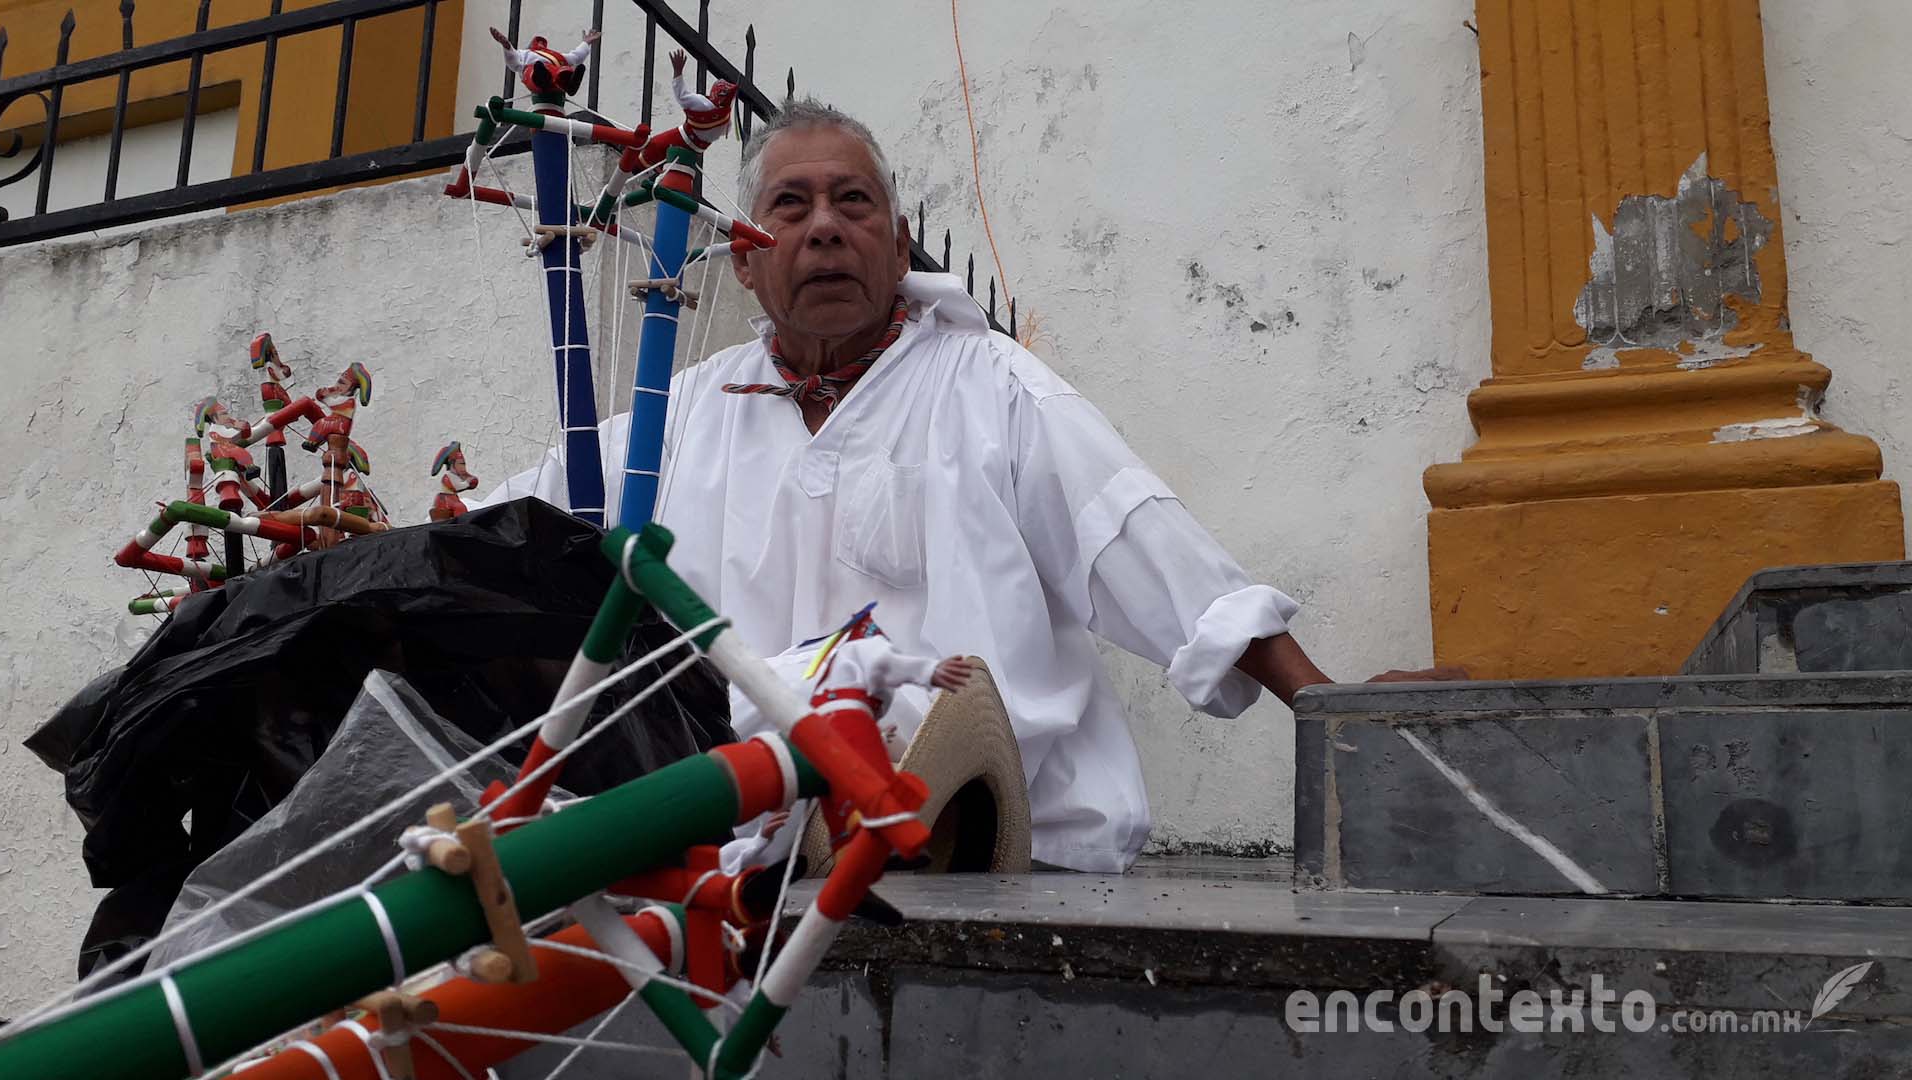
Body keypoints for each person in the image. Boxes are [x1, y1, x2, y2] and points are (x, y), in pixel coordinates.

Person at [476, 99, 1461, 872]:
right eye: (792, 206)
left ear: (898, 242)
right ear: (743, 255)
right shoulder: (681, 413)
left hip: (991, 847)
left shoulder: (992, 387)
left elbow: (1140, 542)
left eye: (854, 202)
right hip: (743, 857)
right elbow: (514, 527)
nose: (826, 229)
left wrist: (1329, 708)